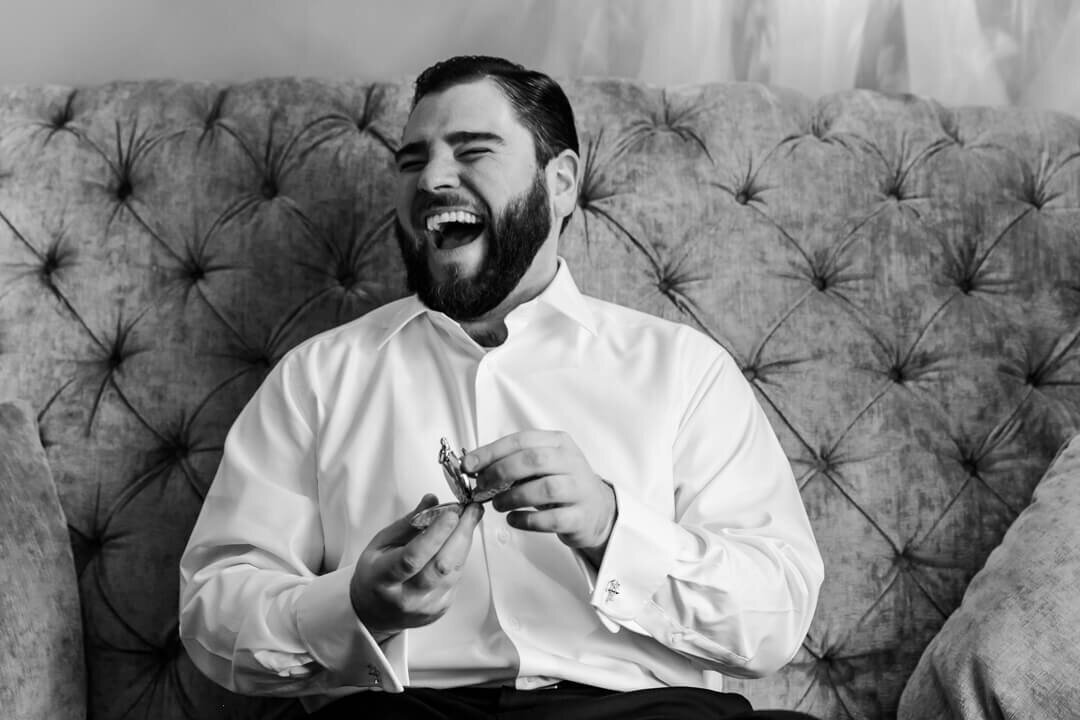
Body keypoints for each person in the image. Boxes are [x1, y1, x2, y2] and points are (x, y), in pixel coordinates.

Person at [179, 55, 825, 720]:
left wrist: (611, 528)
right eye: (412, 159)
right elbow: (212, 614)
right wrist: (355, 605)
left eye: (473, 151)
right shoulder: (316, 378)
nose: (431, 179)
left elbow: (773, 620)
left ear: (563, 182)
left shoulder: (684, 370)